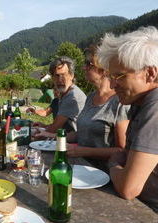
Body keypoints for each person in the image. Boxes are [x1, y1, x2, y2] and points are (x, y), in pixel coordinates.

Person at [36, 47, 130, 170]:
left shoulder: (120, 102)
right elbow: (81, 134)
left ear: (104, 70)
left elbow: (122, 151)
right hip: (79, 164)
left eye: (88, 64)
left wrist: (82, 151)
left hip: (102, 174)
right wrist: (51, 135)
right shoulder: (91, 97)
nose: (83, 67)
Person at [97, 26, 158, 212]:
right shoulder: (140, 102)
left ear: (150, 73)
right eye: (111, 76)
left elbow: (128, 189)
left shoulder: (155, 107)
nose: (113, 84)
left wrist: (113, 163)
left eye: (120, 76)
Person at [42, 56, 86, 133]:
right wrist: (43, 126)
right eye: (57, 75)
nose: (60, 80)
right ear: (52, 78)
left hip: (72, 142)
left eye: (63, 75)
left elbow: (54, 129)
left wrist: (36, 131)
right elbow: (60, 126)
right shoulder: (65, 94)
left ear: (71, 76)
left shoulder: (72, 97)